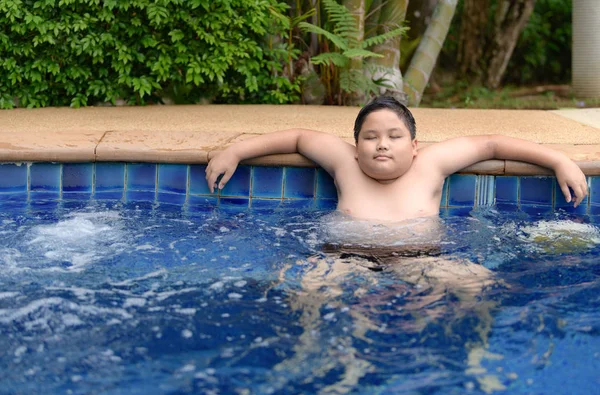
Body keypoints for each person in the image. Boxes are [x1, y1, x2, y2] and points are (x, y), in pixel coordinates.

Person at [206, 95, 588, 222]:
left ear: (414, 145)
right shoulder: (346, 164)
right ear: (356, 147)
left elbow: (491, 144)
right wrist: (235, 150)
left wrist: (558, 160)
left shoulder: (430, 165)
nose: (382, 145)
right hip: (346, 256)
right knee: (307, 283)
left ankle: (474, 362)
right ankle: (311, 351)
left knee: (472, 282)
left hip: (420, 257)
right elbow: (299, 137)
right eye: (370, 137)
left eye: (394, 136)